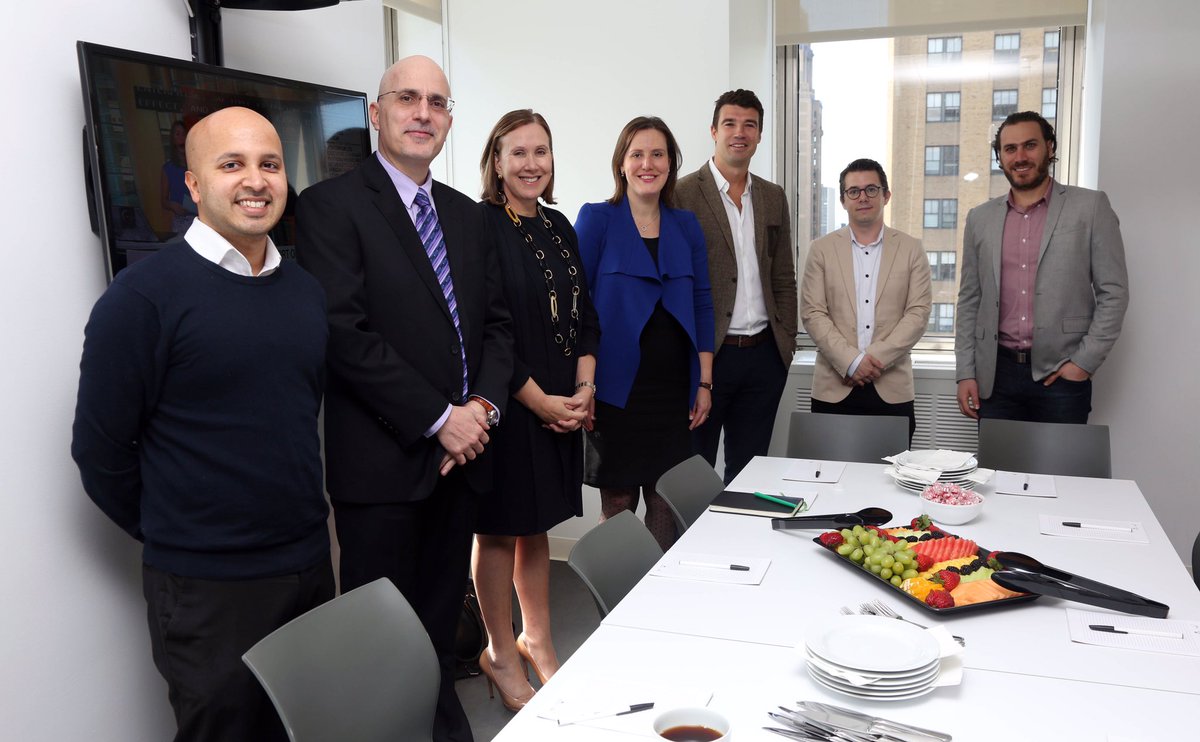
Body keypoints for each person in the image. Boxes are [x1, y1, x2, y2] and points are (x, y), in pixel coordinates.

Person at [71, 106, 333, 742]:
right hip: (208, 588)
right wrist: (184, 529)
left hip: (306, 565)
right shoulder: (141, 299)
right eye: (231, 164)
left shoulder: (304, 292)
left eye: (270, 164)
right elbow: (100, 453)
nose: (256, 180)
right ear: (192, 184)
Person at [295, 56, 513, 742]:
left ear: (449, 120)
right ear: (376, 113)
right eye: (407, 98)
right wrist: (440, 418)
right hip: (383, 471)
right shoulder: (328, 207)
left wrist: (482, 410)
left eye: (437, 103)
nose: (423, 113)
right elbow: (344, 332)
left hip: (461, 463)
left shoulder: (468, 217)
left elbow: (497, 328)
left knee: (438, 633)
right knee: (377, 649)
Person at [471, 109, 600, 710]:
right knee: (500, 530)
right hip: (509, 402)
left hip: (562, 402)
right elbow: (483, 332)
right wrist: (539, 401)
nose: (531, 164)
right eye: (517, 152)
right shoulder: (480, 225)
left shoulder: (559, 225)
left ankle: (538, 638)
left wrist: (584, 387)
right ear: (496, 162)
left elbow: (586, 318)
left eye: (540, 151)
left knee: (536, 526)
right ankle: (500, 651)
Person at [575, 116, 715, 551]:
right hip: (614, 392)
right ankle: (617, 591)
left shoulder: (686, 225)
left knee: (664, 501)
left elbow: (703, 304)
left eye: (658, 154)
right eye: (637, 154)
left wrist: (704, 382)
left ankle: (657, 588)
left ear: (671, 164)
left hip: (672, 392)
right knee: (618, 502)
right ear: (621, 163)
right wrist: (584, 385)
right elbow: (577, 309)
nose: (647, 164)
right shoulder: (597, 219)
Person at [955, 111, 1128, 423]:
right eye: (1010, 149)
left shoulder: (1090, 207)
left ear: (1049, 147)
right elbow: (970, 299)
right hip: (995, 377)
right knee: (999, 458)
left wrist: (1083, 363)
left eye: (1030, 145)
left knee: (1061, 458)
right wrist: (965, 372)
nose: (1020, 157)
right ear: (1000, 157)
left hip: (1061, 375)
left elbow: (1113, 293)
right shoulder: (979, 218)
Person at [675, 89, 797, 484]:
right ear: (714, 131)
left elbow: (783, 276)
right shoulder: (681, 194)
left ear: (759, 134)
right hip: (708, 356)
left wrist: (786, 346)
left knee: (749, 476)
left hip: (764, 357)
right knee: (694, 472)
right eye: (730, 123)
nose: (739, 132)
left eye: (750, 125)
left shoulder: (773, 197)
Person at [801, 159, 932, 440]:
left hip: (892, 390)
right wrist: (851, 361)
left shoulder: (912, 249)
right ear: (843, 200)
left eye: (871, 189)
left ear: (886, 195)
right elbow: (813, 313)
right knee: (827, 466)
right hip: (834, 387)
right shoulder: (821, 250)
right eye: (854, 191)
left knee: (892, 469)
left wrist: (870, 362)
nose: (863, 197)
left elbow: (918, 314)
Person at [161, 120, 197, 235]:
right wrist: (173, 206)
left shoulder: (196, 166)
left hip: (199, 221)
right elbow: (163, 201)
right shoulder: (167, 169)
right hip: (181, 223)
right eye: (177, 134)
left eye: (184, 134)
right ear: (173, 140)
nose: (182, 138)